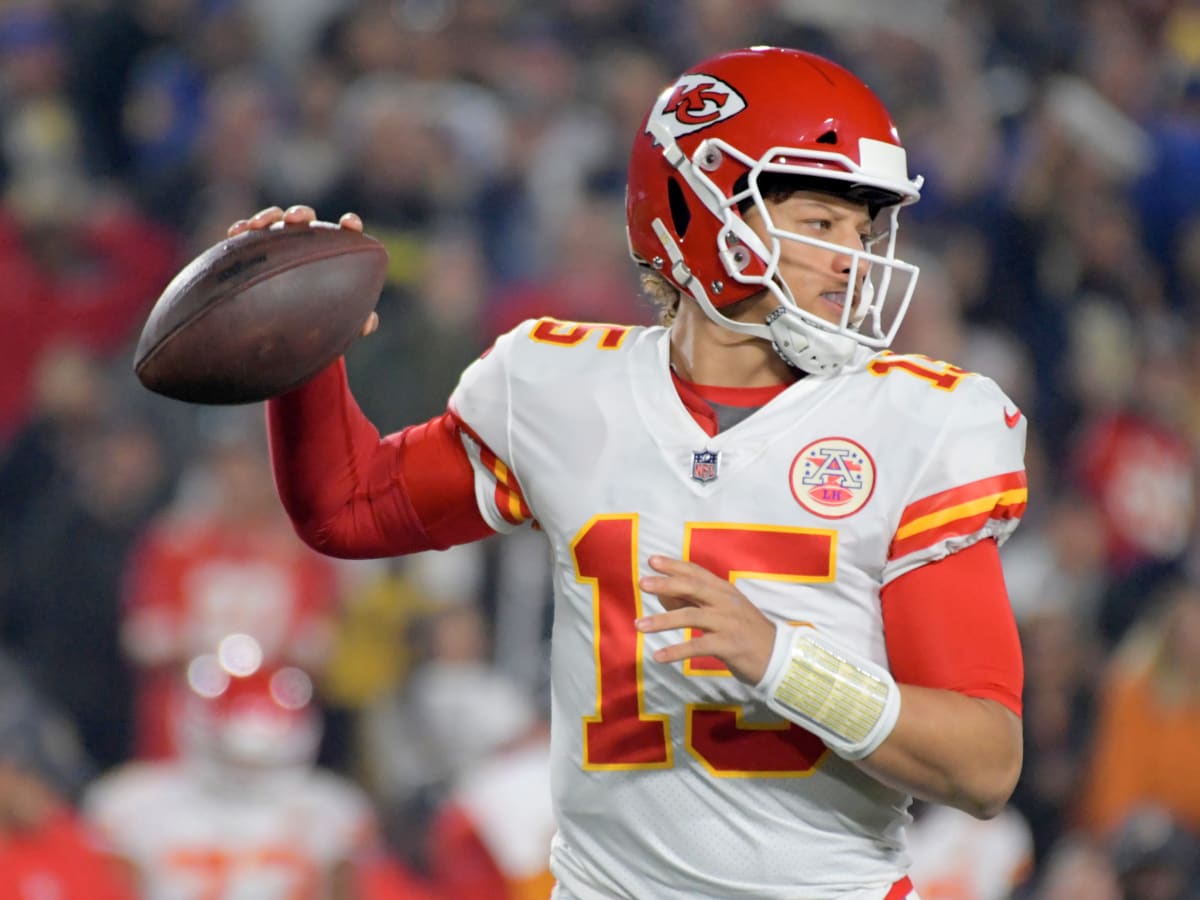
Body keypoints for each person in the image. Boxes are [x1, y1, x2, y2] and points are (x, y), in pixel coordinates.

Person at [233, 46, 1027, 899]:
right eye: (820, 222)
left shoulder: (916, 422)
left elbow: (983, 764)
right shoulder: (560, 385)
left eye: (862, 230)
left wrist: (780, 661)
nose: (851, 257)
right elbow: (346, 508)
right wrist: (303, 350)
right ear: (698, 207)